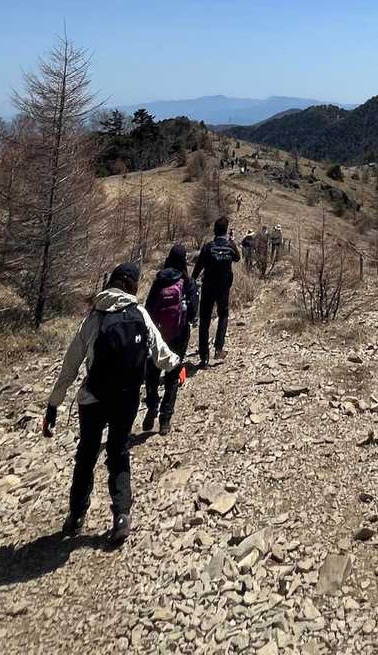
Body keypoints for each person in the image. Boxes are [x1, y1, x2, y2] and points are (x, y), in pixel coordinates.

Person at [42, 261, 178, 544]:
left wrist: (54, 404)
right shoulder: (139, 313)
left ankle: (76, 515)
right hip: (127, 397)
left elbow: (70, 365)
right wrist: (178, 366)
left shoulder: (95, 316)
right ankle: (121, 516)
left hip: (93, 398)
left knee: (86, 454)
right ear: (132, 285)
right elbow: (161, 353)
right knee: (118, 452)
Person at [142, 244, 197, 436]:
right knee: (173, 377)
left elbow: (148, 308)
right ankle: (165, 420)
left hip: (157, 335)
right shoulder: (187, 281)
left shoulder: (159, 280)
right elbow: (193, 312)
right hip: (179, 335)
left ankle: (151, 407)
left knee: (152, 374)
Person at [192, 215, 240, 366]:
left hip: (208, 286)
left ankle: (204, 356)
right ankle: (219, 349)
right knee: (223, 315)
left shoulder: (208, 247)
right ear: (226, 230)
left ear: (214, 230)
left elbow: (198, 266)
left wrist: (192, 280)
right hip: (224, 287)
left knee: (204, 319)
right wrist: (231, 241)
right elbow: (237, 258)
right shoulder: (230, 246)